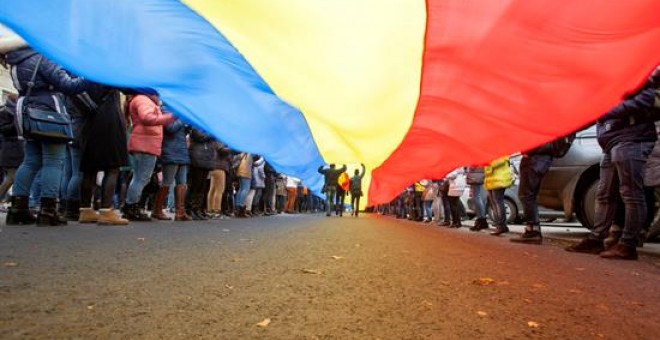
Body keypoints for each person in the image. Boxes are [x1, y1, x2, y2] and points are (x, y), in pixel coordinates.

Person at [567, 67, 660, 260]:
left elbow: (647, 99)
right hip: (612, 141)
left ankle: (628, 244)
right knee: (605, 194)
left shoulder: (638, 71)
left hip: (632, 138)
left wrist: (608, 111)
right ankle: (597, 238)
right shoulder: (612, 78)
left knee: (631, 194)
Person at [4, 47, 90, 226]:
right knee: (54, 160)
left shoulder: (16, 60)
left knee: (30, 161)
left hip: (27, 111)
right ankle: (48, 211)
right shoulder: (42, 57)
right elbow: (69, 86)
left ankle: (17, 209)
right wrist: (91, 76)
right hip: (48, 111)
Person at [73, 84, 130, 225]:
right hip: (110, 119)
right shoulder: (107, 72)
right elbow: (129, 87)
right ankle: (106, 210)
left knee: (89, 168)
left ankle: (85, 210)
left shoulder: (84, 72)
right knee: (113, 167)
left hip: (89, 120)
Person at [123, 94, 175, 221]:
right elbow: (147, 118)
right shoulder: (143, 99)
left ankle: (131, 207)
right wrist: (171, 117)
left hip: (145, 143)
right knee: (141, 178)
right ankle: (131, 207)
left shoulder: (143, 99)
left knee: (140, 177)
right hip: (145, 144)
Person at [158, 117, 191, 221]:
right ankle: (157, 210)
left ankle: (180, 212)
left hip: (181, 151)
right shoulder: (165, 111)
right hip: (171, 151)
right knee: (167, 182)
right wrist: (182, 118)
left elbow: (182, 131)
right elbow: (170, 128)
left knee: (182, 183)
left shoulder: (176, 115)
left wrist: (188, 125)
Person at [187, 128, 217, 220]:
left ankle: (197, 209)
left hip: (206, 160)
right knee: (196, 185)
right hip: (197, 158)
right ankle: (190, 209)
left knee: (202, 186)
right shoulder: (196, 126)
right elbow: (199, 136)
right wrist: (213, 132)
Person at [0, 95, 24, 205]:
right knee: (12, 178)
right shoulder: (5, 112)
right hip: (10, 149)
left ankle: (13, 201)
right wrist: (16, 123)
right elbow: (3, 129)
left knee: (13, 178)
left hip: (16, 148)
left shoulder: (16, 111)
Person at [484, 156, 515, 235]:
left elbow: (493, 165)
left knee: (497, 202)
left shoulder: (501, 154)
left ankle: (501, 226)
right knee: (494, 203)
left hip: (498, 180)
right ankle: (499, 225)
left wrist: (487, 164)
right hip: (491, 180)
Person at [207, 140, 231, 219]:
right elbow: (221, 150)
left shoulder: (213, 139)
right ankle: (216, 211)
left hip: (213, 166)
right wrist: (232, 148)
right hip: (219, 166)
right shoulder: (219, 139)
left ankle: (210, 210)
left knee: (213, 189)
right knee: (219, 190)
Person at [465, 167, 488, 232]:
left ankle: (482, 220)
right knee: (476, 198)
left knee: (476, 198)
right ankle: (481, 220)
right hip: (477, 175)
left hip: (476, 176)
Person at [233, 152, 253, 217]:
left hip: (240, 171)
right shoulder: (250, 152)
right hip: (246, 172)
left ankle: (237, 207)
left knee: (241, 189)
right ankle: (240, 207)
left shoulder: (242, 152)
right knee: (245, 189)